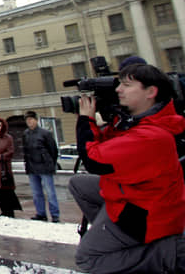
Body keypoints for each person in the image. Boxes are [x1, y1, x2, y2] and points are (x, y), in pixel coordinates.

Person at [69, 63, 185, 273]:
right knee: (79, 185)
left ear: (151, 92)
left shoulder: (152, 135)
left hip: (148, 213)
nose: (118, 90)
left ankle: (166, 252)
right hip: (136, 195)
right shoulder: (140, 122)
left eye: (126, 85)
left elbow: (95, 160)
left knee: (87, 258)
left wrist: (86, 120)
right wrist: (111, 118)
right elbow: (109, 146)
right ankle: (119, 240)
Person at [22, 111, 60, 222]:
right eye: (27, 120)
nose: (29, 122)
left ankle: (55, 214)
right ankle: (40, 213)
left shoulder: (45, 133)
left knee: (50, 192)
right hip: (32, 167)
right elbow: (26, 151)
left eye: (31, 119)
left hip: (44, 167)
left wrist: (50, 163)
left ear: (36, 120)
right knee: (36, 193)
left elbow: (53, 150)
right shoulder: (26, 134)